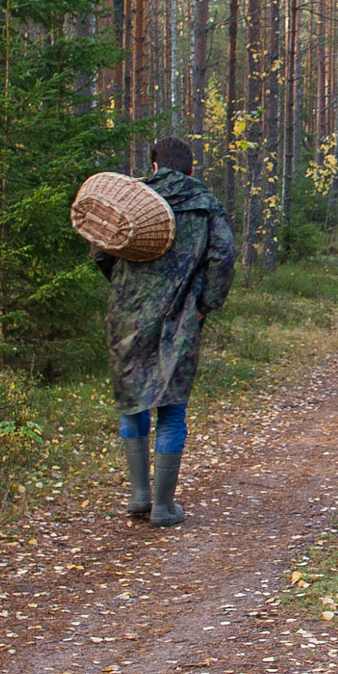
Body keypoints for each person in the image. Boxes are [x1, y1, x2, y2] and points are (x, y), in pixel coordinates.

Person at [92, 136, 236, 527]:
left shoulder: (131, 199)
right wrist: (206, 303)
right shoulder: (206, 205)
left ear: (154, 167)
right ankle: (162, 506)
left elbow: (101, 248)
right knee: (171, 407)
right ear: (191, 168)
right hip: (180, 315)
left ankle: (139, 495)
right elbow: (224, 256)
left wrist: (125, 287)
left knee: (133, 400)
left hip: (127, 315)